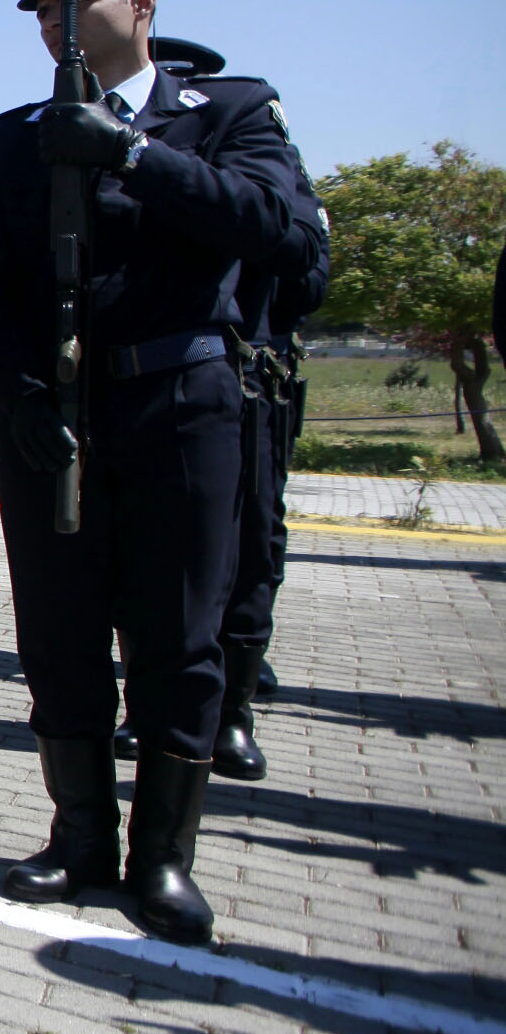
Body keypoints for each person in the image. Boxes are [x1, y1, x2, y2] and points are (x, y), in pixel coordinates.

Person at [0, 0, 302, 944]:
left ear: (143, 2)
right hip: (54, 412)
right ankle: (79, 837)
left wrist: (134, 156)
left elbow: (276, 229)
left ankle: (163, 858)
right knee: (59, 632)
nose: (56, 18)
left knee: (177, 634)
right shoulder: (7, 138)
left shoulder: (227, 113)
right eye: (42, 6)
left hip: (180, 403)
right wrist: (21, 393)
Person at [166, 39, 328, 782]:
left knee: (250, 543)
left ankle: (231, 711)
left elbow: (307, 269)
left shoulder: (264, 166)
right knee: (165, 556)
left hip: (251, 376)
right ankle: (156, 704)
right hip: (172, 381)